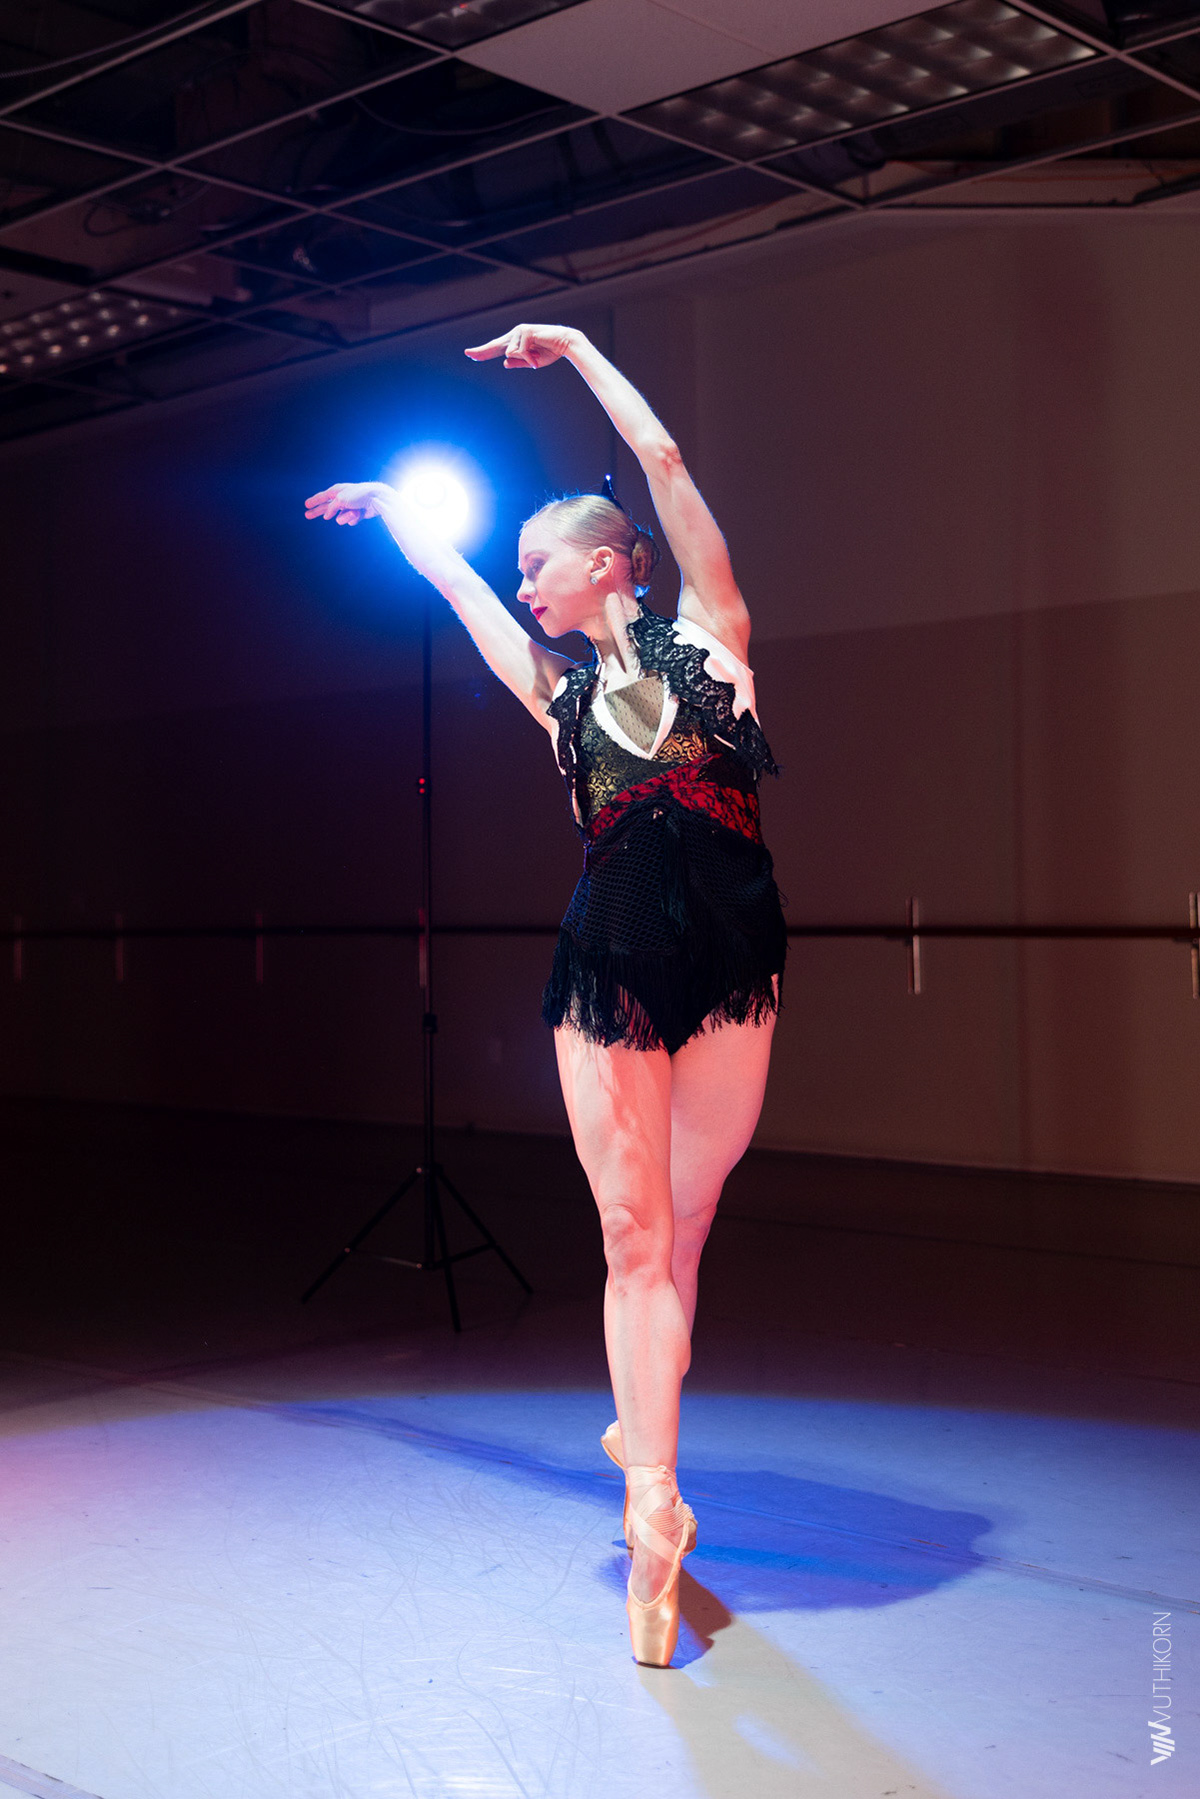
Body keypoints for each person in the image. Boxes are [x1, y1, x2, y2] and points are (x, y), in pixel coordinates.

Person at [305, 322, 787, 1667]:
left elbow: (663, 458)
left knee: (684, 1234)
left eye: (539, 566)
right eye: (519, 570)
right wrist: (401, 513)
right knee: (634, 1236)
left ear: (608, 562)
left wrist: (575, 348)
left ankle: (645, 1425)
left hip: (730, 958)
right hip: (610, 963)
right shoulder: (558, 699)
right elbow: (455, 587)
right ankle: (654, 1511)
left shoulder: (716, 643)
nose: (523, 586)